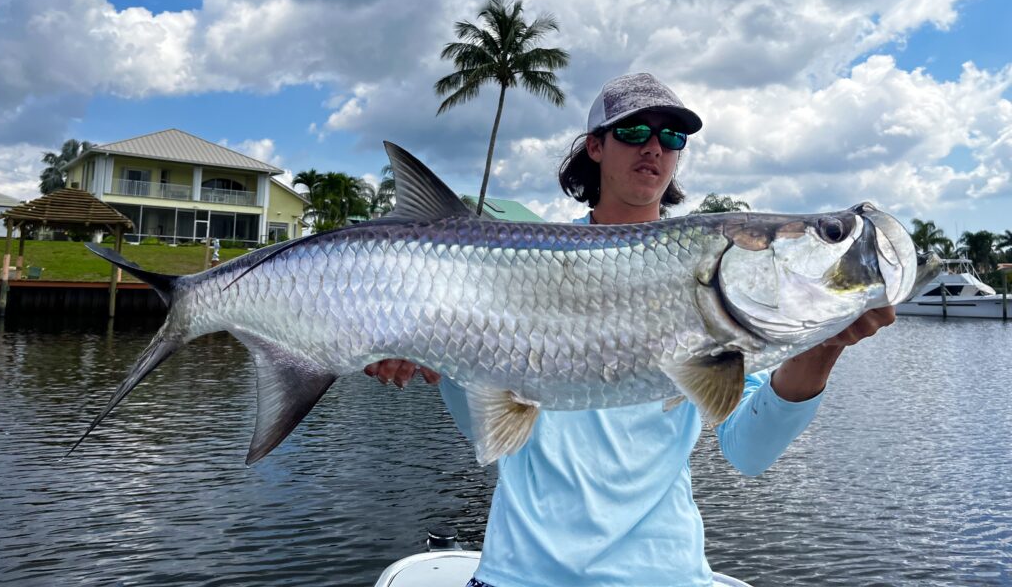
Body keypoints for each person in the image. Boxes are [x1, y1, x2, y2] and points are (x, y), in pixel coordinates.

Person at [366, 72, 895, 586]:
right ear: (595, 147)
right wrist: (433, 357)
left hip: (665, 573)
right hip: (520, 572)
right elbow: (485, 429)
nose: (654, 148)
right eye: (634, 131)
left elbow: (748, 451)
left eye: (672, 136)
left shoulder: (721, 299)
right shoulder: (517, 261)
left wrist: (823, 348)